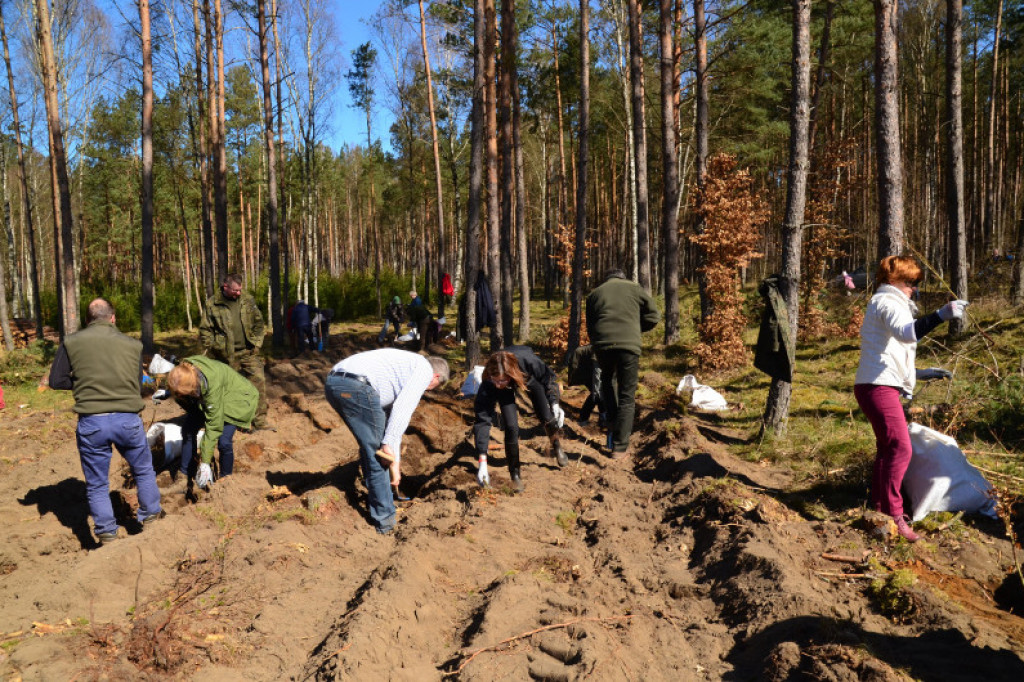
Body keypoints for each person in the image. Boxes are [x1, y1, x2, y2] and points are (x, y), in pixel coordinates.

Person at [854, 255, 967, 542]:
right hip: (878, 387)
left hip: (877, 384)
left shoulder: (888, 302)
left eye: (915, 284)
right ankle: (894, 515)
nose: (913, 289)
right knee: (900, 449)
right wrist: (941, 316)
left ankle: (881, 510)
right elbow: (907, 334)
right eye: (910, 283)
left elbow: (887, 352)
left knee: (888, 449)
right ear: (894, 281)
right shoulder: (888, 302)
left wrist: (919, 373)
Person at [48, 298, 163, 545]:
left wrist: (85, 384)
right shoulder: (132, 345)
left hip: (92, 422)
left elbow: (56, 381)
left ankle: (107, 533)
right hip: (127, 420)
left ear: (87, 320)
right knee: (143, 470)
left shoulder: (70, 342)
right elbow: (136, 383)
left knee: (97, 482)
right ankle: (151, 518)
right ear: (113, 318)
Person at [324, 349, 449, 535]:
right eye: (432, 387)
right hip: (357, 386)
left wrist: (395, 461)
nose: (426, 390)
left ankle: (378, 496)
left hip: (333, 383)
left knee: (371, 447)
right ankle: (386, 521)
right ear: (435, 376)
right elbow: (402, 410)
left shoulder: (405, 366)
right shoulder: (423, 370)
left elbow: (390, 422)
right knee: (378, 454)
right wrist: (389, 450)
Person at [585, 268, 661, 457]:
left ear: (607, 278)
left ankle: (611, 421)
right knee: (627, 395)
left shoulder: (595, 294)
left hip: (603, 346)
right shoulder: (634, 288)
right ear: (623, 278)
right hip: (629, 346)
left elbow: (590, 325)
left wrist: (598, 341)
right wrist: (635, 328)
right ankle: (619, 447)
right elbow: (654, 316)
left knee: (608, 383)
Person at [473, 346, 568, 493]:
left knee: (546, 416)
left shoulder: (529, 361)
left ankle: (556, 445)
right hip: (507, 389)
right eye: (495, 380)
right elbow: (482, 419)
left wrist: (554, 402)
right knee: (511, 427)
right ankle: (515, 475)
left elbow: (548, 379)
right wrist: (482, 462)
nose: (498, 385)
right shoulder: (489, 381)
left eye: (502, 380)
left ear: (510, 375)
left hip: (528, 378)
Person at [166, 357, 258, 495]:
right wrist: (169, 393)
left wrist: (205, 462)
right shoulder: (181, 373)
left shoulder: (210, 384)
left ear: (192, 387)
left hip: (236, 398)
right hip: (208, 396)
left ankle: (226, 482)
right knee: (188, 430)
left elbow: (213, 427)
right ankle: (184, 477)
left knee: (224, 441)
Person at [199, 273, 271, 430]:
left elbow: (259, 322)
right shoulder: (213, 304)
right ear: (225, 287)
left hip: (249, 352)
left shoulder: (247, 299)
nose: (239, 293)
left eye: (240, 290)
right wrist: (214, 347)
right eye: (235, 290)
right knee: (231, 391)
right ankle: (235, 422)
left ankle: (260, 422)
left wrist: (257, 343)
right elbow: (205, 329)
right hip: (226, 356)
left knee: (258, 382)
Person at [567, 344, 605, 426]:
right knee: (597, 393)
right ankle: (585, 419)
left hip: (591, 368)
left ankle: (601, 418)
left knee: (599, 393)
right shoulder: (596, 350)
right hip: (587, 370)